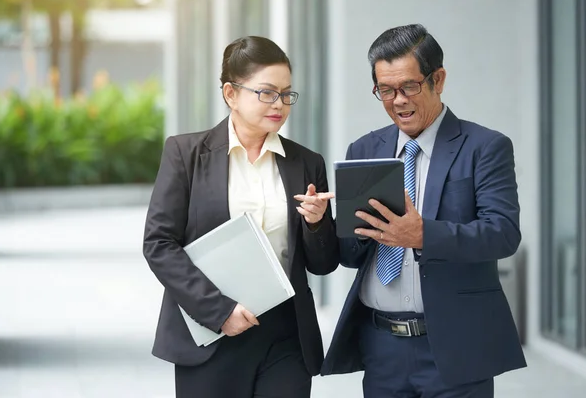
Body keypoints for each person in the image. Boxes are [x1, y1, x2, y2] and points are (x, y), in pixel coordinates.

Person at [321, 24, 526, 397]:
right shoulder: (364, 150)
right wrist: (322, 223)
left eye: (409, 87)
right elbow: (351, 255)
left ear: (438, 79)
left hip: (455, 346)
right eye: (385, 90)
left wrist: (422, 235)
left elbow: (503, 233)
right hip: (381, 346)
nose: (397, 100)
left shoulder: (485, 147)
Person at [143, 36, 339, 398]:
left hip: (286, 335)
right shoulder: (185, 154)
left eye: (286, 93)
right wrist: (219, 312)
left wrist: (316, 224)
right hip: (212, 331)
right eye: (266, 93)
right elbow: (159, 244)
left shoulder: (307, 163)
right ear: (231, 94)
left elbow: (324, 264)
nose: (279, 104)